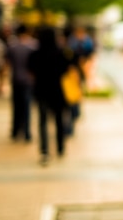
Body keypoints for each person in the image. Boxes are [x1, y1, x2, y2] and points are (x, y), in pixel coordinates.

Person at [28, 26, 73, 166]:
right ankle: (60, 147)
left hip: (41, 91)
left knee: (42, 121)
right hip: (57, 91)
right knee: (59, 119)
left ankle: (45, 151)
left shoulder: (35, 54)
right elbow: (66, 70)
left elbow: (31, 70)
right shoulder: (60, 52)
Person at [6, 24, 37, 142]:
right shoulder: (34, 46)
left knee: (16, 106)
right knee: (27, 106)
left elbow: (7, 62)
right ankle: (27, 133)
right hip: (29, 80)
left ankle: (15, 131)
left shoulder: (12, 46)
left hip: (15, 79)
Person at [64, 25, 95, 135]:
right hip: (72, 77)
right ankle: (74, 115)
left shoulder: (82, 43)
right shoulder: (73, 45)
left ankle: (74, 115)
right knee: (73, 98)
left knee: (75, 96)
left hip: (73, 76)